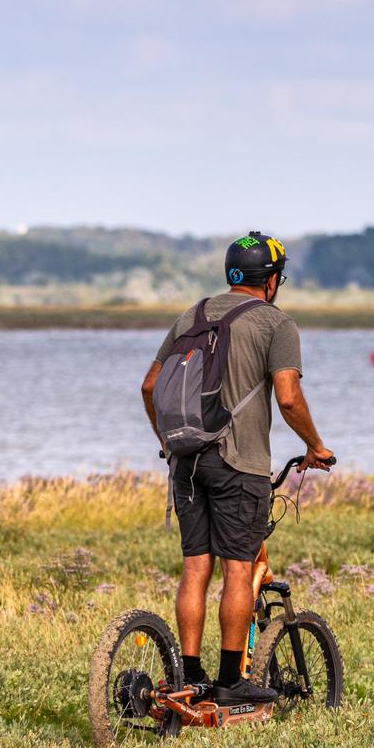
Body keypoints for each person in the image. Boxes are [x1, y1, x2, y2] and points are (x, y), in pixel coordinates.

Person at [140, 232, 333, 705]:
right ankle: (230, 681)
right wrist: (316, 446)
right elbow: (287, 396)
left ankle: (189, 676)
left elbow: (149, 386)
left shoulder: (195, 313)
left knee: (194, 568)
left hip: (185, 459)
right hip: (239, 463)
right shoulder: (276, 323)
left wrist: (169, 443)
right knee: (238, 570)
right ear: (270, 281)